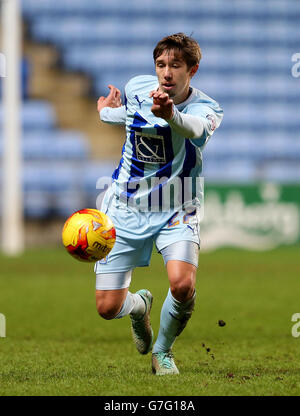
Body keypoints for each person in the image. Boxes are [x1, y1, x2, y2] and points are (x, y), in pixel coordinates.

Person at [95, 33, 223, 375]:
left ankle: (163, 352)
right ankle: (139, 307)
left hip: (178, 205)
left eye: (175, 65)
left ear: (192, 70)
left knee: (183, 284)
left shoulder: (206, 109)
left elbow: (195, 130)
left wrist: (170, 115)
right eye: (161, 65)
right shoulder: (139, 87)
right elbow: (128, 116)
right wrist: (105, 113)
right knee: (107, 307)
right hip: (125, 204)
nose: (166, 73)